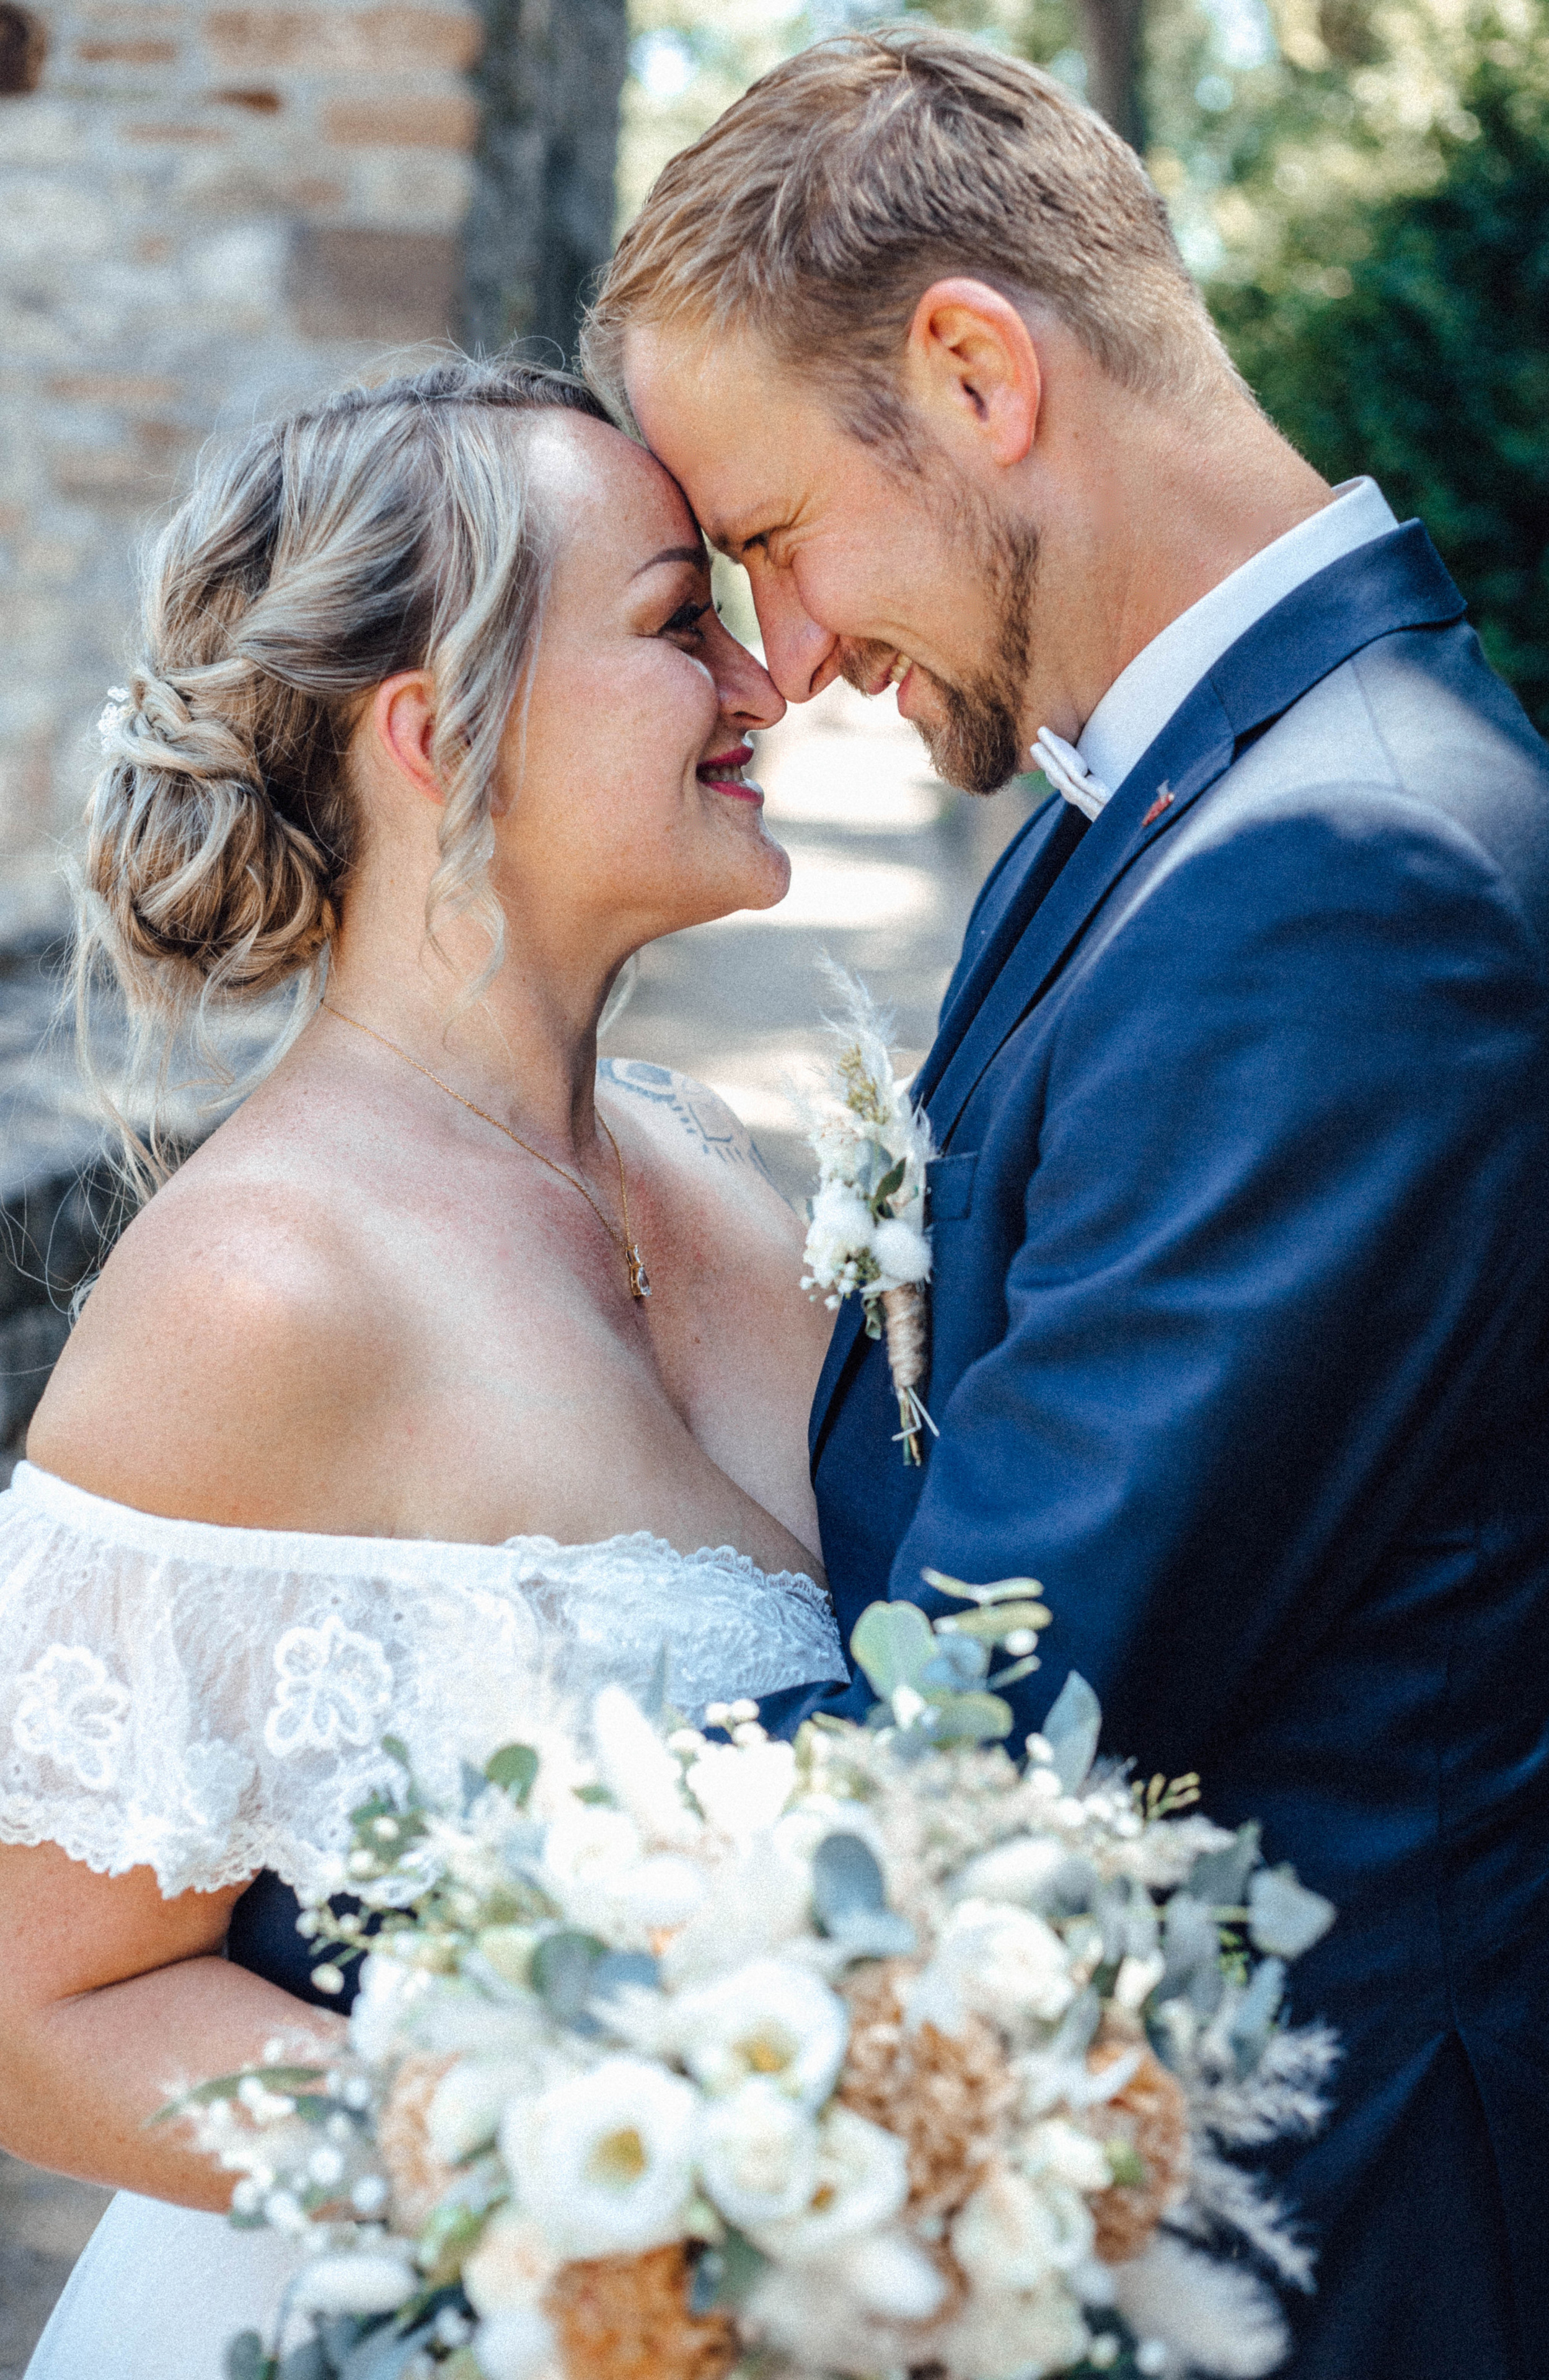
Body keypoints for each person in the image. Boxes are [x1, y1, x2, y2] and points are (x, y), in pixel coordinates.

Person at [583, 27, 1549, 2376]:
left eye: (772, 539)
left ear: (972, 369)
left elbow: (1007, 1695)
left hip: (1316, 2251)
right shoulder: (1151, 813)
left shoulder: (1351, 879)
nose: (787, 657)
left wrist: (407, 1884)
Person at [0, 356, 845, 2378]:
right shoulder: (264, 1289)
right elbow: (45, 2017)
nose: (762, 683)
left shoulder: (703, 1167)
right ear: (432, 734)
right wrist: (628, 2172)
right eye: (672, 623)